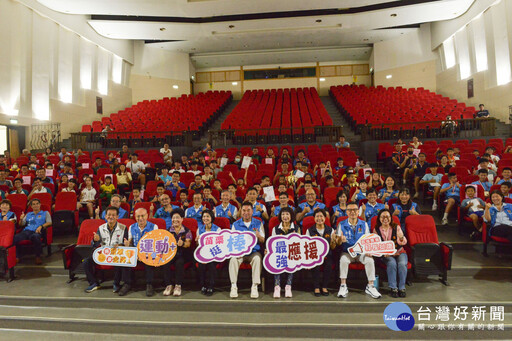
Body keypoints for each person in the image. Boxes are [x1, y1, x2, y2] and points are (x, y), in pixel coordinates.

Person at [336, 201, 381, 299]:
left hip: (361, 252)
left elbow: (368, 241)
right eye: (350, 210)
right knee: (343, 260)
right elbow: (337, 242)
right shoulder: (341, 224)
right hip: (347, 252)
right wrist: (340, 240)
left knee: (370, 260)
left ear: (358, 212)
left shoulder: (364, 224)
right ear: (346, 212)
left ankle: (370, 286)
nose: (352, 212)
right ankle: (343, 285)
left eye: (355, 210)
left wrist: (369, 251)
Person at [83, 206, 127, 293]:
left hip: (116, 254)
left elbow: (126, 244)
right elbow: (95, 244)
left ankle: (116, 284)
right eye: (109, 215)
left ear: (117, 217)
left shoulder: (123, 228)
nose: (111, 217)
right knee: (86, 262)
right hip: (104, 254)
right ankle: (94, 283)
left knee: (119, 261)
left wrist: (121, 245)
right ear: (105, 216)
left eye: (113, 215)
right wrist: (95, 240)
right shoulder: (101, 228)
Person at [229, 202, 265, 299]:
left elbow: (263, 240)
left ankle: (254, 286)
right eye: (244, 210)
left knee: (257, 259)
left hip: (254, 252)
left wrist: (258, 236)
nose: (246, 213)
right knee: (233, 260)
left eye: (248, 210)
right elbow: (232, 241)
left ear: (252, 211)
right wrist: (237, 252)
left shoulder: (258, 223)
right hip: (240, 253)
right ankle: (233, 286)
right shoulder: (235, 224)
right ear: (241, 212)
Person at [120, 208, 158, 296]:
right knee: (126, 258)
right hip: (135, 252)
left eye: (142, 216)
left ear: (147, 216)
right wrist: (127, 244)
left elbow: (155, 243)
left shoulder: (154, 226)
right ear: (135, 217)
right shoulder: (131, 227)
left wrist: (143, 255)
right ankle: (127, 283)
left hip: (148, 252)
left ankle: (149, 284)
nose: (140, 218)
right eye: (138, 216)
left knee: (149, 259)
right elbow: (130, 242)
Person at [374, 209, 408, 298]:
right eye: (383, 217)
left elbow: (403, 242)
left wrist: (401, 238)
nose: (385, 219)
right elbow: (376, 245)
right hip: (386, 254)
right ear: (379, 218)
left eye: (387, 217)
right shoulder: (376, 229)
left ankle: (402, 288)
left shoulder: (396, 227)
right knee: (392, 263)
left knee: (402, 264)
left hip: (399, 252)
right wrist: (383, 253)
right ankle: (393, 288)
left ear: (390, 218)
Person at [306, 209, 337, 296]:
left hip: (327, 254)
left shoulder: (330, 230)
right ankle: (316, 287)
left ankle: (324, 287)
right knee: (316, 266)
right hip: (314, 255)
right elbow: (306, 246)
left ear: (325, 218)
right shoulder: (309, 230)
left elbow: (333, 247)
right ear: (314, 218)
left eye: (321, 216)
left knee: (328, 265)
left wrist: (334, 240)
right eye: (317, 216)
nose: (319, 218)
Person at [162, 209, 192, 297]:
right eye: (173, 218)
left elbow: (188, 244)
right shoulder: (167, 231)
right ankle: (169, 285)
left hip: (182, 253)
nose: (175, 220)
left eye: (177, 218)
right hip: (171, 254)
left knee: (179, 262)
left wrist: (182, 243)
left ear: (182, 219)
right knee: (165, 262)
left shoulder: (187, 231)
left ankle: (178, 286)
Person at [271, 207, 299, 298]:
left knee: (292, 260)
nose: (285, 216)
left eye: (287, 214)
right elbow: (272, 243)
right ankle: (277, 286)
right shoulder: (275, 229)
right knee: (276, 261)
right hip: (279, 253)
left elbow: (299, 244)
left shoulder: (296, 228)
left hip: (291, 253)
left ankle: (288, 286)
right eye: (283, 214)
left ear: (291, 216)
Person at [14, 199, 52, 265]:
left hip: (38, 231)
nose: (36, 205)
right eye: (33, 204)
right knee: (15, 238)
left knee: (36, 236)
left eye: (37, 203)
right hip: (27, 231)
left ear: (40, 204)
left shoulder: (45, 213)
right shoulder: (28, 214)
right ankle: (17, 256)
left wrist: (41, 226)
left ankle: (38, 256)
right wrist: (21, 219)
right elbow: (21, 224)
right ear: (31, 206)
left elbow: (49, 222)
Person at [196, 210, 220, 296]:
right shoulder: (200, 229)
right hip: (203, 253)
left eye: (207, 216)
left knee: (211, 264)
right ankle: (203, 285)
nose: (205, 218)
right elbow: (198, 245)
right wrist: (197, 241)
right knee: (201, 264)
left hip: (214, 253)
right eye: (204, 217)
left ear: (211, 218)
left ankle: (211, 285)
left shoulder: (217, 229)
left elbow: (219, 244)